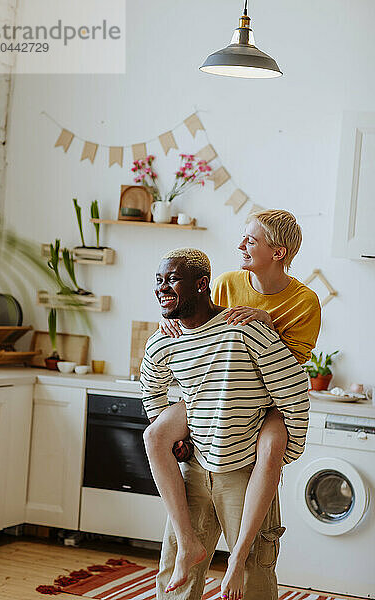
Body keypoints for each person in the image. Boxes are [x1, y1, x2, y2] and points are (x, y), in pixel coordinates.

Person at [154, 210, 321, 597]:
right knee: (154, 435)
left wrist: (263, 320)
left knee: (273, 445)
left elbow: (288, 366)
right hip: (209, 401)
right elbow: (201, 321)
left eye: (251, 240)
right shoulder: (228, 283)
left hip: (264, 405)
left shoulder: (304, 301)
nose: (240, 245)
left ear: (278, 252)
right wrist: (169, 321)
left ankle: (239, 557)